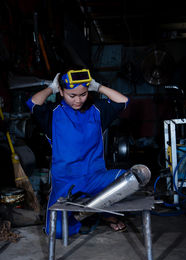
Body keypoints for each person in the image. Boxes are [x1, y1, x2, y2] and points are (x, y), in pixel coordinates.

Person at [26, 67, 129, 238]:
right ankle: (86, 213)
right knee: (56, 232)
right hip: (66, 183)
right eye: (71, 95)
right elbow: (33, 103)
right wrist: (51, 88)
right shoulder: (53, 114)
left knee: (128, 179)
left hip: (95, 178)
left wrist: (98, 87)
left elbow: (123, 101)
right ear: (61, 91)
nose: (78, 100)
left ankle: (101, 211)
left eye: (83, 94)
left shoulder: (97, 111)